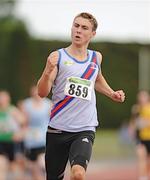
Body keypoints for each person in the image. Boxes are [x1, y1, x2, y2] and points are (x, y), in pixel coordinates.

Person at [37, 12, 125, 180]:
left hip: (85, 128)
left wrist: (111, 93)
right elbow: (41, 93)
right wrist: (47, 71)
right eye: (76, 26)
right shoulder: (58, 57)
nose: (78, 30)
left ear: (92, 34)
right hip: (58, 128)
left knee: (78, 174)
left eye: (84, 28)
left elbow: (96, 79)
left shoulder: (96, 57)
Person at [20, 85, 52, 180]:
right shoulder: (26, 104)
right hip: (30, 139)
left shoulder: (48, 104)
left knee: (41, 162)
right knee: (33, 168)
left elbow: (53, 120)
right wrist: (22, 131)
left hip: (43, 138)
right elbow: (24, 122)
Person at [0, 90, 26, 180]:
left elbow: (23, 123)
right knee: (1, 164)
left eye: (3, 97)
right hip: (1, 141)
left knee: (14, 166)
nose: (1, 99)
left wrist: (20, 134)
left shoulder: (12, 110)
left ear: (8, 99)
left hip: (12, 142)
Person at [131, 90, 150, 180]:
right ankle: (143, 177)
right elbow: (134, 123)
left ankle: (146, 174)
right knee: (141, 158)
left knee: (147, 161)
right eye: (140, 97)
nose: (141, 99)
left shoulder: (149, 108)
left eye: (143, 96)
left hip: (149, 137)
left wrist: (144, 123)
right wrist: (132, 128)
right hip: (141, 138)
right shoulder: (136, 109)